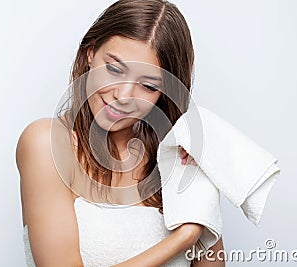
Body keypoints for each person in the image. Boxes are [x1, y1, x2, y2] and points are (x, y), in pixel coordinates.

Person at [16, 0, 225, 266]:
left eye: (148, 85)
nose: (123, 96)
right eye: (114, 69)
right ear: (90, 52)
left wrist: (205, 183)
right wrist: (183, 238)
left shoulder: (179, 158)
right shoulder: (46, 143)